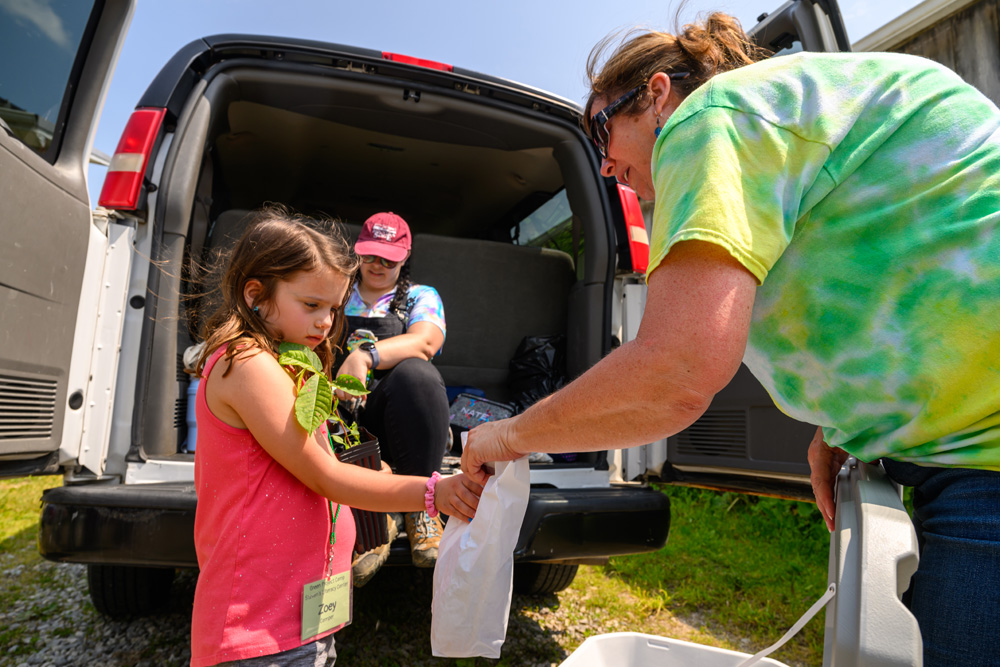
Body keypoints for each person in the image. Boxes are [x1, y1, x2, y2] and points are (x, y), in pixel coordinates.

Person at [461, 13, 1000, 667]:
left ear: (658, 93)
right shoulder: (784, 113)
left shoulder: (708, 116)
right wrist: (846, 421)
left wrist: (504, 436)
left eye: (602, 127)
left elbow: (675, 372)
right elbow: (904, 262)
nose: (603, 164)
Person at [190, 206, 481, 667]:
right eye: (312, 306)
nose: (327, 323)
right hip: (259, 625)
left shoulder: (291, 360)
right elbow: (325, 475)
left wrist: (375, 468)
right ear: (257, 296)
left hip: (299, 614)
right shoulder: (248, 364)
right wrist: (434, 492)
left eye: (333, 308)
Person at [334, 211, 452, 571]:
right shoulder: (335, 289)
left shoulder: (420, 296)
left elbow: (426, 342)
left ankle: (422, 511)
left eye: (389, 258)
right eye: (370, 255)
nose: (378, 265)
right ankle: (375, 522)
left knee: (418, 374)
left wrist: (365, 356)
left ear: (405, 258)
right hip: (343, 415)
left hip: (398, 418)